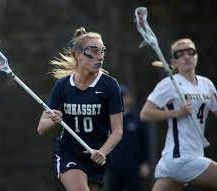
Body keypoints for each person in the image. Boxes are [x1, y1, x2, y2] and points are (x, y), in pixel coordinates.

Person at [37, 27, 123, 191]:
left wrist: (103, 152)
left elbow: (118, 131)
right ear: (78, 55)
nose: (100, 56)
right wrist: (56, 119)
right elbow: (41, 127)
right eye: (94, 50)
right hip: (68, 152)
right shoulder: (62, 86)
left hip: (96, 156)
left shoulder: (109, 86)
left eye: (102, 50)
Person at [140, 38, 217, 191]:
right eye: (179, 54)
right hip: (181, 157)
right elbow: (145, 113)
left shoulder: (207, 84)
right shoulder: (170, 83)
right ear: (173, 63)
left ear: (196, 56)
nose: (186, 56)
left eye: (190, 52)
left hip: (189, 154)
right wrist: (176, 112)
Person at [107, 84, 150, 191]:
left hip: (134, 166)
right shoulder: (109, 119)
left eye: (124, 96)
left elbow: (144, 142)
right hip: (114, 165)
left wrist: (145, 163)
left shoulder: (137, 118)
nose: (122, 99)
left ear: (129, 98)